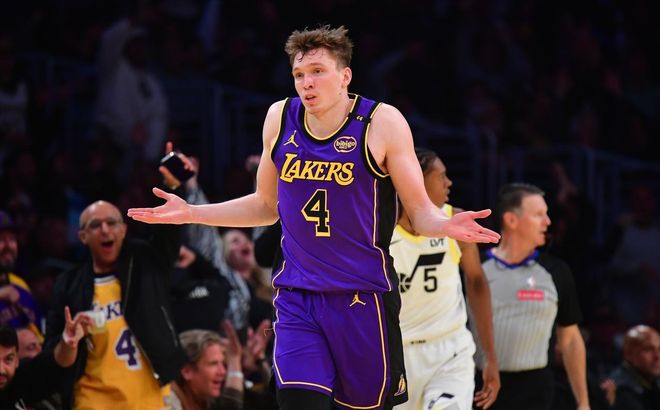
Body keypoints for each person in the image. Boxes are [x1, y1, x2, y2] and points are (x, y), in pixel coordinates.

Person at [128, 25, 499, 410]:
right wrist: (191, 212)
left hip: (361, 298)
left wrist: (444, 225)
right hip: (297, 296)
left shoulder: (382, 122)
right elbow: (265, 205)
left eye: (318, 72)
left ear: (345, 76)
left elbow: (419, 211)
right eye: (299, 74)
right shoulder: (280, 117)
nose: (307, 83)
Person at [44, 188, 187, 408]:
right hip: (93, 402)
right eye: (95, 225)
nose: (104, 230)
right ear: (82, 236)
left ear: (123, 230)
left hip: (151, 400)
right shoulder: (68, 285)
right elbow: (53, 357)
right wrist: (68, 342)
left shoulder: (144, 267)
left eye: (111, 223)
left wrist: (174, 185)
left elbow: (168, 236)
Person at [389, 147, 500, 410]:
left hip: (450, 351)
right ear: (416, 179)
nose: (449, 182)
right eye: (441, 176)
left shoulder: (454, 220)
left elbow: (477, 283)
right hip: (396, 353)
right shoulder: (379, 228)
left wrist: (489, 356)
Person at [470, 183, 589, 410]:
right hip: (480, 387)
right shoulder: (475, 269)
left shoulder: (556, 271)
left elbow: (571, 340)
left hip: (536, 390)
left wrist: (583, 402)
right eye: (538, 215)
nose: (548, 222)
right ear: (511, 220)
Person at [0, 307, 92, 409]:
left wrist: (68, 341)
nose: (1, 369)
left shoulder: (19, 380)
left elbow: (56, 364)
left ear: (17, 360)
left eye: (8, 359)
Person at [169, 327, 244, 410]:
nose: (222, 372)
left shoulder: (206, 400)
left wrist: (234, 359)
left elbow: (231, 405)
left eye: (223, 363)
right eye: (213, 364)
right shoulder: (169, 405)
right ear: (187, 371)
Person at [0, 209, 44, 340]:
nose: (8, 245)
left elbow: (38, 336)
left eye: (12, 239)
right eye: (1, 239)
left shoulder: (20, 285)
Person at [601, 325, 660, 409]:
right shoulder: (620, 391)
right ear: (628, 354)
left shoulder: (653, 381)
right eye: (648, 349)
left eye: (659, 349)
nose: (657, 356)